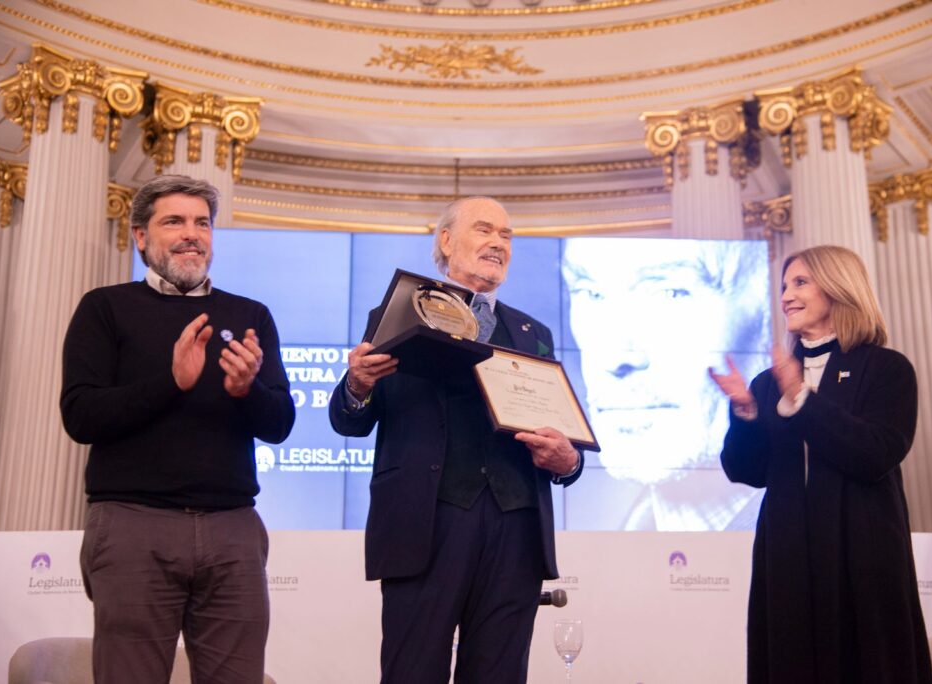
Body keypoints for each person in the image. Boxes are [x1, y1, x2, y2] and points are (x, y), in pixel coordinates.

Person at [329, 196, 583, 684]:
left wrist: (568, 460)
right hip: (424, 525)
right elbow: (351, 421)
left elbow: (565, 437)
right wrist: (358, 384)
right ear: (445, 241)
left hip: (516, 532)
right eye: (484, 230)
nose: (498, 244)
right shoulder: (397, 313)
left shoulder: (535, 333)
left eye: (506, 235)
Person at [60, 174, 295, 683]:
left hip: (233, 529)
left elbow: (279, 425)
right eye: (174, 221)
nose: (192, 234)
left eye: (202, 223)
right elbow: (81, 416)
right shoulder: (105, 308)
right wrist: (172, 382)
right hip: (132, 525)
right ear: (141, 236)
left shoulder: (250, 314)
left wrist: (245, 391)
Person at [709, 245, 932, 683]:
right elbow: (747, 472)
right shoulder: (767, 382)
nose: (786, 296)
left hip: (861, 552)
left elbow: (875, 453)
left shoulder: (887, 369)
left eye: (800, 283)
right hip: (787, 554)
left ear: (837, 288)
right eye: (783, 286)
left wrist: (803, 398)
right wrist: (745, 412)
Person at [561, 238, 770, 530]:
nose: (614, 357)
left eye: (670, 292)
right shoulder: (633, 529)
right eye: (591, 293)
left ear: (766, 312)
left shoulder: (793, 530)